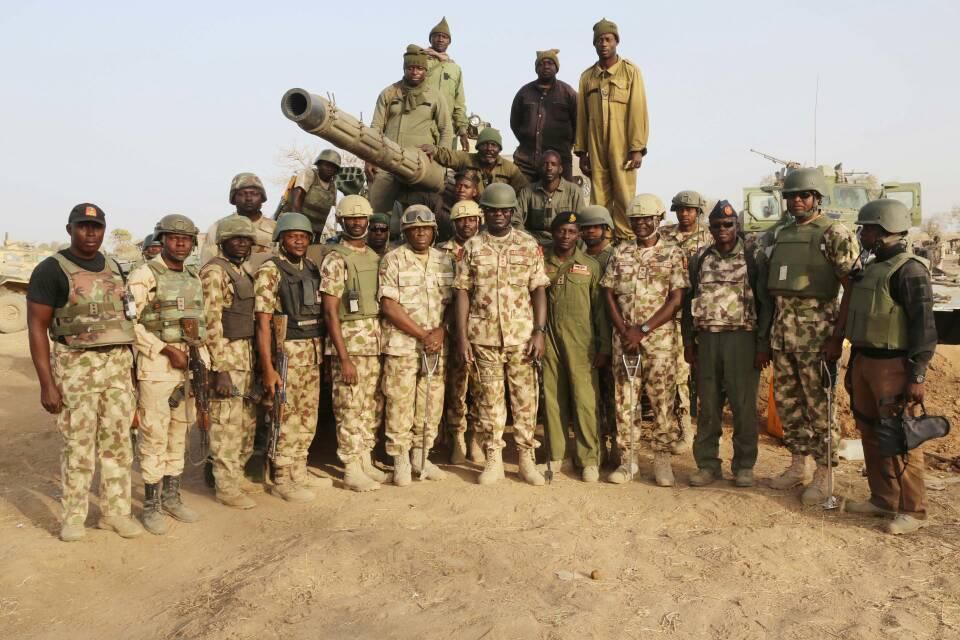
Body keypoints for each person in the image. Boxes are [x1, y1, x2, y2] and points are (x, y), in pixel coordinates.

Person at [26, 203, 142, 541]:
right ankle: (74, 517)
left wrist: (132, 376)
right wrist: (47, 383)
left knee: (119, 443)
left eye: (96, 227)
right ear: (69, 229)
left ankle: (115, 513)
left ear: (104, 230)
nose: (90, 233)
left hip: (118, 366)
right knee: (78, 444)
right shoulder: (51, 269)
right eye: (82, 226)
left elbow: (125, 321)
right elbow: (37, 328)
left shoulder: (115, 268)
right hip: (76, 366)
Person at [764, 168, 860, 505]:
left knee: (821, 407)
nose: (796, 201)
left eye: (803, 195)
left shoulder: (834, 233)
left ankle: (825, 471)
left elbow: (852, 287)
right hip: (783, 333)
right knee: (789, 405)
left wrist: (837, 337)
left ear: (817, 198)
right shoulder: (781, 234)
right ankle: (798, 465)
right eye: (791, 196)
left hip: (818, 334)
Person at [845, 199, 937, 535]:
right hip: (866, 360)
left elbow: (924, 328)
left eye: (867, 228)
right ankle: (883, 498)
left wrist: (917, 374)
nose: (862, 234)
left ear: (884, 230)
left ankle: (913, 509)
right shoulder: (870, 266)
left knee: (902, 437)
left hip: (894, 366)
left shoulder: (910, 270)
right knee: (870, 432)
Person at [453, 183, 550, 485]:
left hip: (521, 337)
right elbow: (462, 292)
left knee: (525, 399)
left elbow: (539, 290)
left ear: (512, 212)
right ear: (485, 213)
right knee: (489, 401)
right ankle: (493, 457)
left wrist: (539, 332)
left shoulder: (527, 244)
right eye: (493, 210)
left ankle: (525, 458)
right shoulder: (472, 247)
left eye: (504, 211)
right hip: (483, 338)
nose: (499, 215)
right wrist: (462, 337)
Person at [127, 214, 208, 535]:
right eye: (173, 237)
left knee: (180, 433)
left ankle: (172, 497)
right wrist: (164, 349)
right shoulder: (144, 275)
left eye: (186, 239)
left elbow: (200, 323)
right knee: (154, 434)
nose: (180, 243)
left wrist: (203, 363)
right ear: (162, 239)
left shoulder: (193, 276)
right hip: (157, 368)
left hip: (188, 367)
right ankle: (151, 506)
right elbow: (128, 324)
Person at [683, 201, 772, 488]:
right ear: (710, 228)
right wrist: (689, 342)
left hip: (742, 339)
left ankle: (744, 465)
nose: (723, 230)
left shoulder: (752, 256)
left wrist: (762, 345)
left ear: (737, 227)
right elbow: (689, 303)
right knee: (708, 406)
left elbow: (765, 302)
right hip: (708, 339)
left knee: (743, 406)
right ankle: (708, 464)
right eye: (717, 225)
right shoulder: (700, 258)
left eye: (728, 225)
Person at [600, 194, 688, 486]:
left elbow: (676, 300)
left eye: (646, 219)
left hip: (659, 343)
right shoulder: (620, 253)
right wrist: (625, 331)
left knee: (662, 400)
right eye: (636, 220)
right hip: (624, 341)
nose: (640, 224)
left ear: (658, 220)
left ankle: (662, 460)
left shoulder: (673, 253)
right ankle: (629, 460)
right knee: (626, 399)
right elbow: (608, 293)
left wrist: (644, 329)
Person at [254, 212, 331, 502]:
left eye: (304, 236)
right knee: (284, 415)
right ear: (281, 239)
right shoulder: (271, 271)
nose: (299, 240)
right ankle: (282, 476)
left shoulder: (311, 268)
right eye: (292, 235)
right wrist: (269, 367)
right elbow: (262, 323)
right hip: (287, 352)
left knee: (307, 415)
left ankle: (299, 467)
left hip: (311, 352)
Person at [379, 205, 456, 485]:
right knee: (400, 403)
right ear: (406, 232)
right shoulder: (393, 259)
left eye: (425, 228)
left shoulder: (444, 261)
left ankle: (421, 457)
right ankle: (400, 461)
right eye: (414, 229)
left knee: (431, 402)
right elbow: (389, 305)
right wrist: (423, 335)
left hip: (435, 346)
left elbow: (451, 303)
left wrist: (440, 332)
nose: (420, 232)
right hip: (402, 346)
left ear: (434, 231)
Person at [320, 195, 389, 492]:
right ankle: (350, 467)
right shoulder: (336, 259)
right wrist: (343, 356)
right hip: (348, 343)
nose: (358, 223)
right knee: (349, 406)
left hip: (374, 343)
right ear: (342, 221)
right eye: (352, 219)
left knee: (371, 405)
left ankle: (363, 458)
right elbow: (330, 310)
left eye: (362, 218)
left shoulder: (374, 257)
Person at [199, 216, 264, 509]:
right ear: (222, 242)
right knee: (226, 425)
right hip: (226, 360)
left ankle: (236, 476)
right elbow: (210, 322)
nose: (242, 243)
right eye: (236, 238)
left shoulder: (242, 271)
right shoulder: (214, 272)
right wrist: (219, 369)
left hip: (245, 359)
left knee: (245, 424)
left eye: (246, 239)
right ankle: (225, 486)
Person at [542, 212, 610, 482]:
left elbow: (600, 311)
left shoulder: (590, 266)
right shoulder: (539, 261)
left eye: (572, 231)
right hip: (549, 339)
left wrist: (603, 346)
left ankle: (589, 459)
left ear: (578, 234)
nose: (566, 236)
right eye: (561, 231)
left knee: (585, 400)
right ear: (553, 232)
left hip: (583, 343)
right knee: (553, 398)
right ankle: (557, 456)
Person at [574, 18, 650, 241]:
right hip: (595, 144)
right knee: (599, 195)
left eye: (608, 39)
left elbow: (638, 110)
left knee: (625, 194)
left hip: (623, 144)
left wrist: (637, 147)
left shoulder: (630, 72)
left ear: (616, 41)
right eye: (599, 40)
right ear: (594, 44)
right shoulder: (587, 77)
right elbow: (582, 116)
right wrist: (581, 151)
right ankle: (601, 242)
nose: (603, 44)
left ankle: (626, 241)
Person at [369, 45, 453, 217]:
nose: (415, 72)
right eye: (410, 68)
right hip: (388, 161)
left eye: (419, 68)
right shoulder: (389, 93)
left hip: (421, 164)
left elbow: (446, 130)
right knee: (377, 215)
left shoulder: (435, 96)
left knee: (425, 215)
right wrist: (369, 158)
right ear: (404, 69)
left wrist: (440, 161)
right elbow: (376, 128)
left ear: (425, 70)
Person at [661, 190, 711, 454]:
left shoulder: (710, 237)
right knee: (678, 375)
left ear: (698, 211)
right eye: (680, 209)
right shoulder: (664, 236)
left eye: (689, 209)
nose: (684, 214)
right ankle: (684, 430)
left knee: (705, 376)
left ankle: (708, 429)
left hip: (701, 315)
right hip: (673, 315)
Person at [439, 199, 484, 464]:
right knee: (456, 388)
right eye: (461, 220)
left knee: (481, 388)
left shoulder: (486, 248)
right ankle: (456, 439)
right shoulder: (441, 252)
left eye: (471, 219)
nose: (466, 224)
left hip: (481, 328)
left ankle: (476, 439)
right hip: (452, 329)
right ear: (453, 223)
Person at [576, 205, 618, 464]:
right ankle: (596, 443)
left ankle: (614, 441)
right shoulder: (577, 259)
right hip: (584, 338)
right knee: (590, 395)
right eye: (586, 227)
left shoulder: (615, 258)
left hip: (612, 336)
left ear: (606, 229)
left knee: (612, 394)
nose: (590, 231)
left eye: (595, 227)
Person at [510, 49, 578, 182]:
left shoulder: (568, 93)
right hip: (526, 162)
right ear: (536, 68)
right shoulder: (524, 93)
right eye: (542, 63)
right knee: (521, 198)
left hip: (560, 162)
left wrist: (566, 145)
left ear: (556, 68)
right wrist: (528, 139)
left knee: (564, 199)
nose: (546, 66)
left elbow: (579, 123)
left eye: (550, 63)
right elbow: (515, 123)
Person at [201, 173, 277, 273]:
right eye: (243, 194)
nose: (249, 198)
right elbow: (208, 266)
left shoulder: (276, 228)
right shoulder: (219, 228)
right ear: (234, 198)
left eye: (254, 193)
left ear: (262, 198)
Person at [422, 127, 528, 198]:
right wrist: (434, 150)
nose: (489, 149)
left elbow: (524, 192)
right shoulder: (467, 159)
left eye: (493, 145)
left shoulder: (510, 169)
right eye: (485, 144)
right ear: (478, 147)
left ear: (499, 149)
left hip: (496, 213)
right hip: (470, 212)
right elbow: (448, 156)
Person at [516, 149, 584, 244]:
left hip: (564, 242)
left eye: (553, 164)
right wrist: (528, 240)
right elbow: (516, 221)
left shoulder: (573, 191)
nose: (549, 168)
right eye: (545, 164)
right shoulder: (527, 192)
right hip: (535, 242)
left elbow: (580, 222)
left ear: (560, 169)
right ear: (539, 168)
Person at [424, 16, 468, 151]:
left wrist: (462, 130)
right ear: (431, 39)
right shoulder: (421, 60)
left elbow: (459, 102)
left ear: (449, 41)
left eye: (444, 37)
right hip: (421, 123)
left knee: (442, 165)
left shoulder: (454, 69)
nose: (440, 39)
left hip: (445, 128)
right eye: (437, 36)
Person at [289, 149, 342, 241]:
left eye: (333, 167)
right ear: (319, 164)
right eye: (326, 165)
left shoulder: (333, 187)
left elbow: (330, 214)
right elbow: (296, 202)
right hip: (296, 226)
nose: (329, 168)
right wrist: (298, 227)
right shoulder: (309, 174)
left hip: (315, 233)